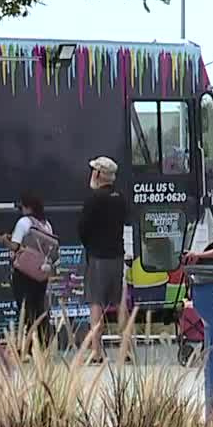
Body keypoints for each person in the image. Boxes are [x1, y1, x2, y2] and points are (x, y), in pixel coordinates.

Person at [79, 156, 127, 364]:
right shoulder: (120, 198)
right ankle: (126, 350)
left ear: (98, 174)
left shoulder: (93, 199)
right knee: (120, 302)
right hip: (117, 255)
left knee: (96, 303)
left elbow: (82, 228)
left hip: (98, 257)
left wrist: (90, 244)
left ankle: (97, 351)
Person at [0, 191, 54, 347]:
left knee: (25, 307)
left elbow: (15, 246)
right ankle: (44, 343)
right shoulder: (46, 224)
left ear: (27, 206)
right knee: (39, 307)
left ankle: (28, 345)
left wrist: (4, 240)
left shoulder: (24, 222)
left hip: (24, 273)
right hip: (41, 273)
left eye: (21, 206)